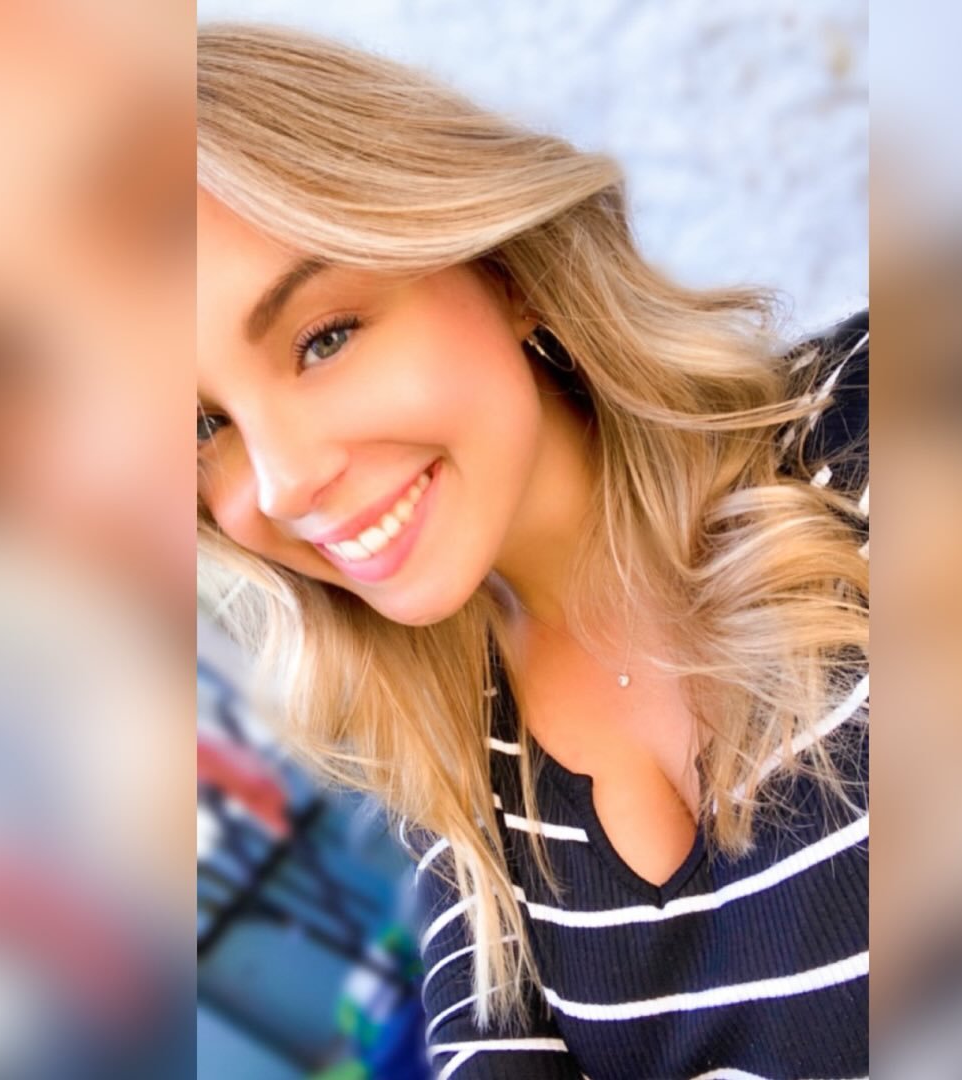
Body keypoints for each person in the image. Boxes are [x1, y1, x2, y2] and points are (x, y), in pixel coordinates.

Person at [196, 23, 869, 1079]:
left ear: (501, 268)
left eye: (324, 338)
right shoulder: (460, 805)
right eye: (203, 427)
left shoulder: (879, 433)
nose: (282, 484)